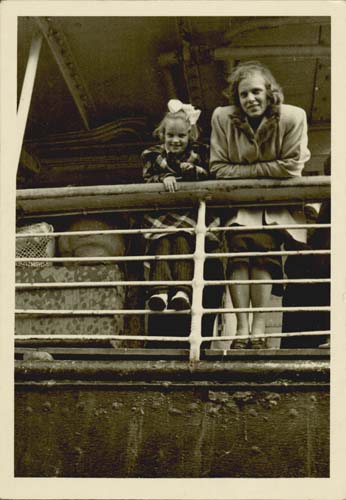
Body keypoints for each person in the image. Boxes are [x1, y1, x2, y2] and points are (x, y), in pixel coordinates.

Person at [210, 61, 311, 349]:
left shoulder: (293, 117)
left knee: (264, 259)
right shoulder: (222, 118)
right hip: (239, 205)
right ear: (236, 99)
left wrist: (244, 170)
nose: (250, 99)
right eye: (243, 95)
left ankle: (259, 328)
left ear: (269, 93)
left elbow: (293, 167)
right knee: (239, 261)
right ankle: (241, 330)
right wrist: (269, 169)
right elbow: (218, 167)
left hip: (273, 207)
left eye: (256, 92)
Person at [142, 99, 220, 315]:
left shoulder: (199, 154)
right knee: (162, 242)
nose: (175, 140)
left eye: (181, 136)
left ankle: (182, 292)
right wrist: (163, 177)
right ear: (162, 135)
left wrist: (191, 171)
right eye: (170, 135)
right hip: (163, 214)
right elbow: (146, 179)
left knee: (184, 243)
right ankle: (159, 291)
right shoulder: (153, 156)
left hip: (189, 213)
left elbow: (209, 176)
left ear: (190, 135)